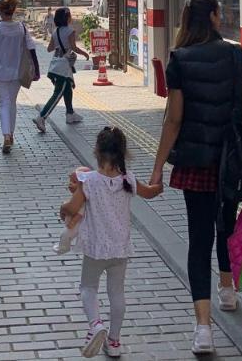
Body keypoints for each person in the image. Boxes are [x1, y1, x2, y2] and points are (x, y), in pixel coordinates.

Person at [149, 0, 242, 355]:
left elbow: (173, 120)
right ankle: (228, 289)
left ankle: (203, 329)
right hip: (231, 160)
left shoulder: (179, 59)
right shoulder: (237, 55)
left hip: (196, 162)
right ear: (215, 16)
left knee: (199, 238)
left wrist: (156, 169)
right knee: (226, 222)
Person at [58, 127, 163, 358]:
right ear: (123, 154)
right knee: (117, 293)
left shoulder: (89, 181)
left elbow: (72, 207)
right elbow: (152, 192)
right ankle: (114, 342)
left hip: (95, 248)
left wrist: (63, 208)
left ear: (97, 152)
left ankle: (96, 325)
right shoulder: (129, 180)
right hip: (120, 248)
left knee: (88, 287)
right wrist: (159, 177)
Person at [0, 0, 37, 154]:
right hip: (17, 72)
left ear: (0, 11)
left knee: (4, 102)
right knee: (12, 103)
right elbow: (31, 47)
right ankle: (11, 133)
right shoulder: (21, 27)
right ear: (13, 11)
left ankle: (6, 135)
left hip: (1, 72)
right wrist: (36, 69)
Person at [33, 8, 89, 134]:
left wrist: (59, 43)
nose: (71, 17)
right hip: (63, 66)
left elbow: (49, 49)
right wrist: (84, 53)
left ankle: (70, 113)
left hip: (55, 64)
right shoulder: (70, 31)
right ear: (67, 18)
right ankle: (41, 117)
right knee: (58, 93)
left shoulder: (55, 31)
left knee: (67, 88)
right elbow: (74, 47)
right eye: (70, 15)